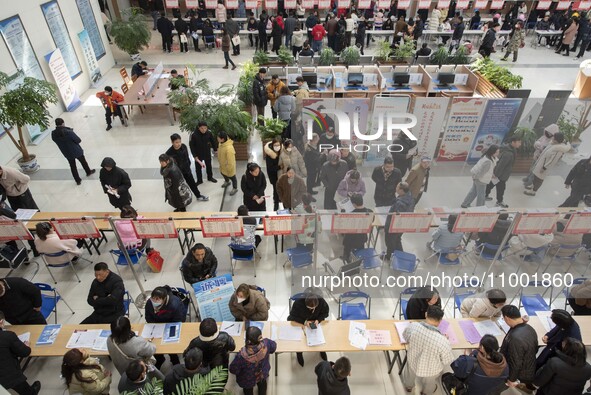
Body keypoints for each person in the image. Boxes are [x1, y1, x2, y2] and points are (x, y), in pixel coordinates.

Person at [403, 305, 454, 394]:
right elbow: (447, 361)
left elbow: (405, 336)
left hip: (413, 360)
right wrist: (444, 339)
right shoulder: (443, 341)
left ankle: (408, 387)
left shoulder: (414, 326)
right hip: (431, 369)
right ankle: (426, 392)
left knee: (409, 375)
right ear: (440, 321)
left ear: (426, 314)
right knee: (430, 383)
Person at [489, 305, 537, 395]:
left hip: (520, 374)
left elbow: (516, 362)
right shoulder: (530, 329)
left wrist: (511, 379)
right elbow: (535, 348)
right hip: (529, 366)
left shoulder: (515, 339)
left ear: (507, 318)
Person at [286, 288, 330, 367]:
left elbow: (325, 313)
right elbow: (291, 317)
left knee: (321, 337)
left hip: (316, 324)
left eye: (314, 308)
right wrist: (305, 322)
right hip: (302, 324)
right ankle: (299, 353)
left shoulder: (321, 301)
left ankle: (322, 350)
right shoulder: (298, 303)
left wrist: (318, 320)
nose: (313, 310)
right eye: (310, 308)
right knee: (300, 341)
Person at [145, 286, 187, 369]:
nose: (155, 301)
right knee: (155, 344)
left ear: (164, 299)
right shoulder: (150, 303)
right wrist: (156, 326)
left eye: (158, 299)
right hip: (156, 327)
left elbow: (179, 320)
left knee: (169, 345)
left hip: (170, 326)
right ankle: (160, 359)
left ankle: (174, 360)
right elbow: (148, 317)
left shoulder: (175, 304)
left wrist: (165, 328)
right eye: (153, 298)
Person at [0, 310, 40, 395]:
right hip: (9, 375)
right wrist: (26, 345)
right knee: (25, 390)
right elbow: (25, 352)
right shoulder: (8, 336)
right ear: (1, 322)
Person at [229, 326, 277, 395]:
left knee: (248, 390)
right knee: (262, 385)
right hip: (262, 373)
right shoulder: (266, 344)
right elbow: (274, 347)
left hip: (247, 379)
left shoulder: (241, 356)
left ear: (247, 340)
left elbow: (233, 369)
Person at [51, 118, 95, 185]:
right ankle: (88, 172)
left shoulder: (53, 133)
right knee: (83, 161)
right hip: (76, 150)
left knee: (72, 166)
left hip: (66, 152)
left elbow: (55, 140)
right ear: (63, 123)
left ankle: (77, 180)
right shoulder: (68, 132)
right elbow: (78, 140)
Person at [166, 133, 208, 202]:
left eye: (179, 141)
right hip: (178, 175)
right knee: (180, 189)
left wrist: (188, 165)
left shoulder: (184, 146)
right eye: (176, 142)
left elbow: (187, 157)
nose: (179, 144)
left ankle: (198, 196)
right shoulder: (169, 153)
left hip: (187, 170)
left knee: (192, 184)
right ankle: (182, 202)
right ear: (172, 142)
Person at [485, 137, 522, 207]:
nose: (520, 144)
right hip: (501, 174)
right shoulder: (508, 153)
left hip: (501, 173)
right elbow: (501, 165)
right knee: (501, 188)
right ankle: (499, 201)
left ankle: (485, 194)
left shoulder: (511, 149)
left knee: (491, 184)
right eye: (519, 142)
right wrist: (496, 174)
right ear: (513, 142)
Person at [384, 182, 415, 256]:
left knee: (390, 242)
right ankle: (400, 255)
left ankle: (389, 257)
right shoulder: (411, 198)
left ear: (401, 190)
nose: (396, 188)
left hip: (394, 226)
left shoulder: (400, 203)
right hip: (403, 225)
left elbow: (397, 217)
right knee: (397, 240)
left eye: (397, 187)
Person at [342, 194, 372, 261]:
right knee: (360, 248)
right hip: (362, 238)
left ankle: (346, 258)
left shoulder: (351, 215)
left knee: (346, 245)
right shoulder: (370, 212)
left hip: (350, 239)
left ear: (354, 204)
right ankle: (359, 258)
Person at [264, 137, 282, 210]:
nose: (277, 147)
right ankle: (276, 203)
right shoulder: (269, 155)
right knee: (276, 189)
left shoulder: (282, 152)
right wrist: (280, 167)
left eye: (278, 145)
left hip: (281, 174)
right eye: (275, 145)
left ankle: (280, 199)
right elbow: (271, 168)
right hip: (274, 176)